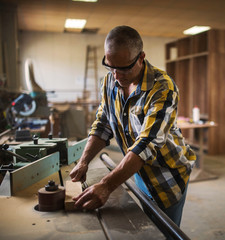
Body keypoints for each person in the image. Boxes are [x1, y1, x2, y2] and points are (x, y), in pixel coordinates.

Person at [69, 25, 196, 232]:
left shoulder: (162, 88)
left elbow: (146, 145)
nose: (117, 76)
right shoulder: (109, 81)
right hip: (137, 168)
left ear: (141, 57)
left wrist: (107, 185)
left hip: (167, 176)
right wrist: (84, 162)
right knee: (145, 227)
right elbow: (103, 124)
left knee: (163, 233)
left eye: (124, 68)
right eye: (111, 66)